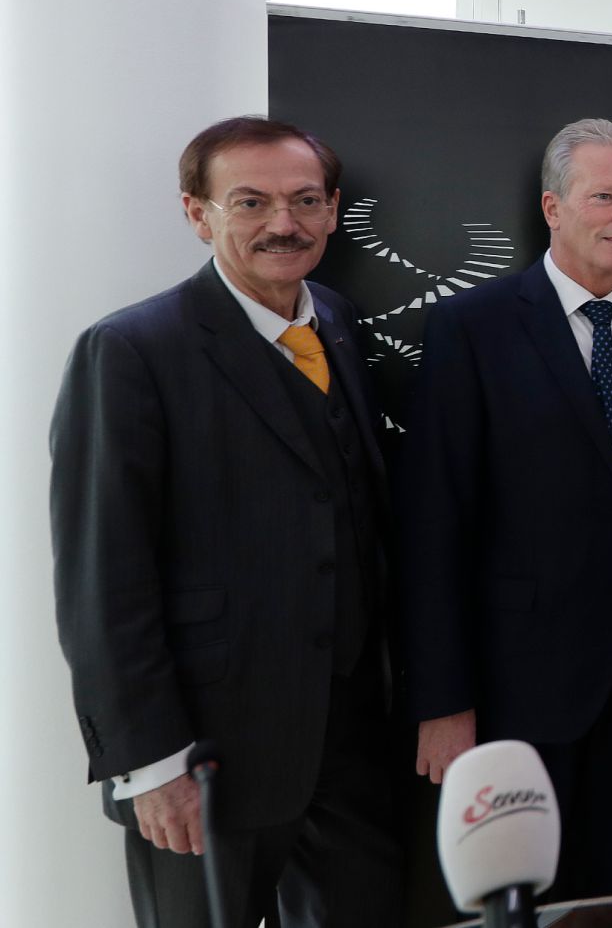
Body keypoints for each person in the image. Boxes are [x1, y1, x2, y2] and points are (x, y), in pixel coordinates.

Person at [50, 116, 403, 927]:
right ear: (196, 212)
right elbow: (103, 578)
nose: (285, 223)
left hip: (350, 749)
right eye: (251, 202)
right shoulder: (131, 351)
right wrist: (149, 765)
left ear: (334, 208)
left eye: (305, 200)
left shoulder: (339, 324)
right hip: (206, 759)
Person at [398, 117, 612, 902]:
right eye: (604, 196)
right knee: (525, 898)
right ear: (553, 207)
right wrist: (443, 700)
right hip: (520, 679)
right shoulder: (470, 326)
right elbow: (432, 522)